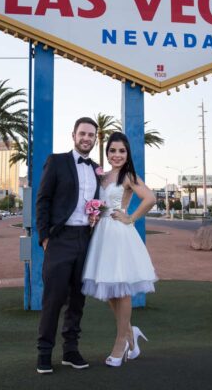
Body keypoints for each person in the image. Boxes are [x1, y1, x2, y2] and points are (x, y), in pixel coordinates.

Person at [81, 131, 158, 367]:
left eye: (121, 151)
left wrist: (131, 217)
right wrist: (94, 215)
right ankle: (129, 332)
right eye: (113, 150)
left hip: (119, 234)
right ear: (107, 153)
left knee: (121, 288)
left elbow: (150, 198)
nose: (117, 155)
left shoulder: (129, 176)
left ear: (127, 154)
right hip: (101, 235)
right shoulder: (101, 176)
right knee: (109, 288)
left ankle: (120, 341)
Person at [35, 117, 102, 375]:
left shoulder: (97, 169)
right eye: (83, 133)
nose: (86, 138)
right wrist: (44, 237)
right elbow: (43, 200)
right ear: (73, 135)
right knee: (53, 298)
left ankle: (70, 350)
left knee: (77, 298)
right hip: (60, 239)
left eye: (91, 135)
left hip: (85, 238)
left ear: (95, 139)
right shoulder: (57, 162)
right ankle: (44, 352)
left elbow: (98, 202)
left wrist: (97, 216)